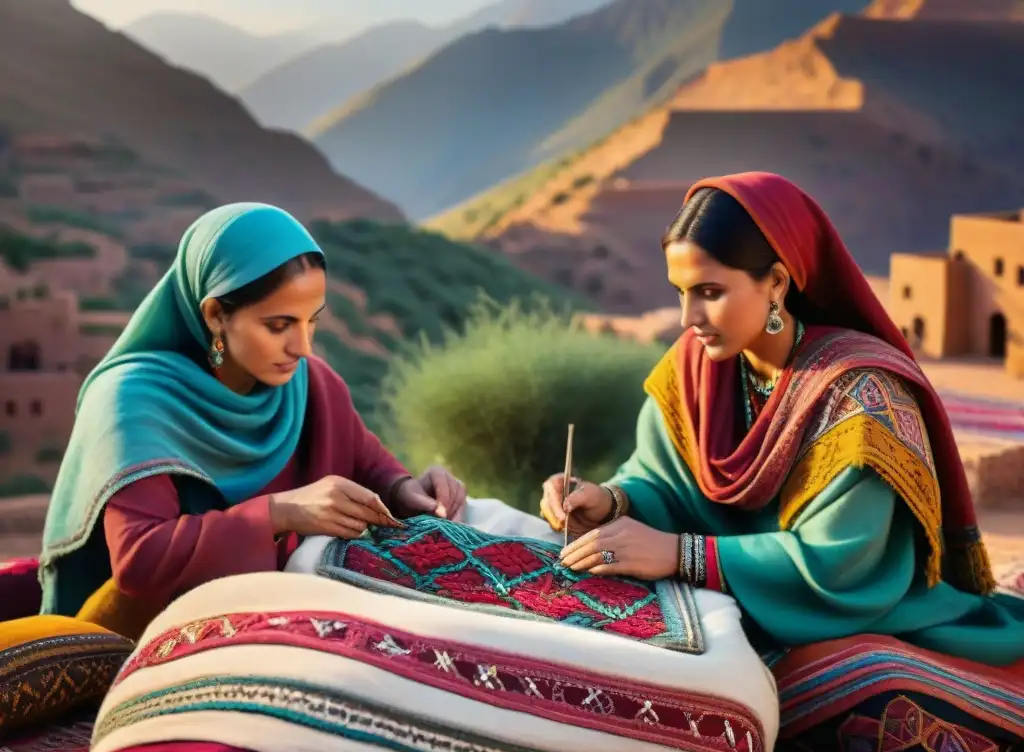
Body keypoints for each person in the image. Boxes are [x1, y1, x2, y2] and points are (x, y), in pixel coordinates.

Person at [539, 172, 1024, 669]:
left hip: (855, 616)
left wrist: (682, 555)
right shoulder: (691, 369)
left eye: (709, 291)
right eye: (680, 292)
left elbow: (840, 563)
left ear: (776, 282)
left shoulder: (863, 399)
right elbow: (660, 481)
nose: (689, 317)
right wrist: (609, 500)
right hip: (722, 605)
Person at [37, 202, 467, 625]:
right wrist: (278, 514)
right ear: (215, 315)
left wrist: (406, 488)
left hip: (287, 615)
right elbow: (140, 560)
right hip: (148, 635)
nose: (302, 347)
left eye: (311, 322)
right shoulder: (132, 400)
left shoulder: (309, 384)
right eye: (279, 325)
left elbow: (367, 461)